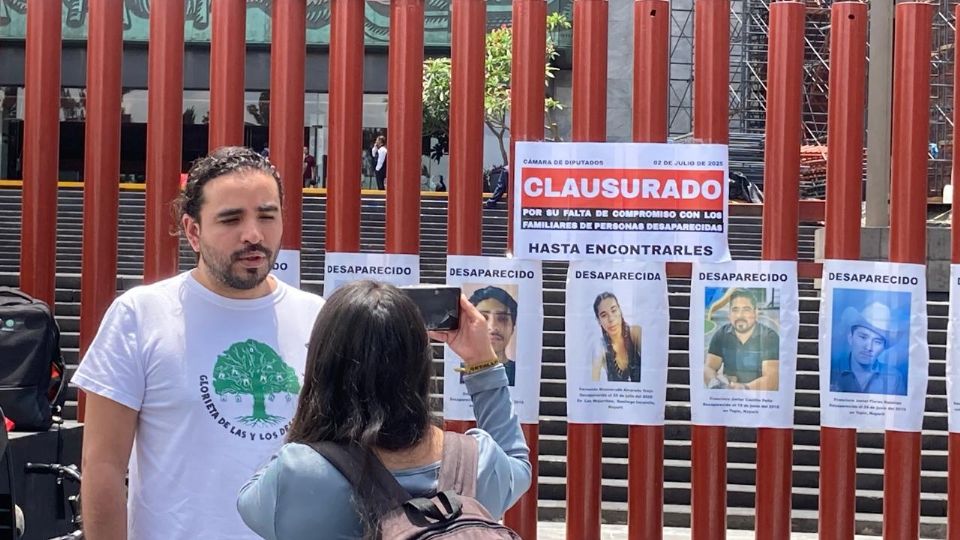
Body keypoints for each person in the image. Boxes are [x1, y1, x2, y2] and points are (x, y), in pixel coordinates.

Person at [71, 147, 326, 540]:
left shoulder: (319, 317)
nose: (253, 234)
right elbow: (102, 464)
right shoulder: (141, 315)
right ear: (192, 231)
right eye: (231, 219)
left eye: (267, 215)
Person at [237, 282, 532, 539]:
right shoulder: (478, 463)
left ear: (323, 365)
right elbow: (517, 463)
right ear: (420, 364)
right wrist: (481, 361)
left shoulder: (296, 474)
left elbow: (246, 501)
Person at [703, 288, 779, 390]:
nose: (740, 315)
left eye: (746, 310)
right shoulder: (721, 334)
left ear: (755, 313)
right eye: (735, 310)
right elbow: (709, 367)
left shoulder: (769, 337)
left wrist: (743, 388)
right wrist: (715, 383)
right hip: (728, 397)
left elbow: (772, 379)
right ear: (729, 314)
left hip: (760, 400)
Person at [830, 302, 905, 395]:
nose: (869, 347)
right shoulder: (831, 370)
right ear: (850, 337)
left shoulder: (894, 378)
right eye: (863, 337)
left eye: (877, 342)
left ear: (884, 347)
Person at [468, 286, 518, 386]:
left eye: (502, 319)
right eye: (483, 318)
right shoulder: (459, 372)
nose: (492, 327)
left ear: (512, 328)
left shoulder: (520, 373)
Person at [591, 292, 642, 383]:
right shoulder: (600, 347)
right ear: (599, 321)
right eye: (604, 315)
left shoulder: (635, 332)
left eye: (614, 310)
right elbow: (593, 382)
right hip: (616, 396)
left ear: (620, 311)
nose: (611, 319)